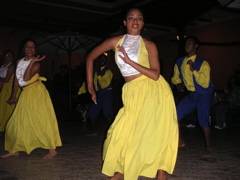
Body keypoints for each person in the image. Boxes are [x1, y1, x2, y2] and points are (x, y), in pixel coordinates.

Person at [86, 7, 178, 180]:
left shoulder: (149, 45)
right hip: (131, 91)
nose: (135, 21)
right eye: (131, 18)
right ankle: (123, 169)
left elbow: (155, 74)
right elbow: (91, 57)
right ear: (124, 22)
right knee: (122, 130)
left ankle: (160, 170)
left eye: (139, 18)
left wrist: (129, 61)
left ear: (143, 23)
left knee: (154, 131)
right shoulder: (114, 41)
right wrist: (90, 85)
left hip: (153, 90)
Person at [1, 39, 62, 159]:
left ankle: (52, 150)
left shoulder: (37, 64)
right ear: (23, 49)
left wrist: (33, 61)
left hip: (37, 93)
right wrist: (13, 95)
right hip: (25, 93)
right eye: (27, 47)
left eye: (32, 47)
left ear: (35, 50)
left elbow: (26, 77)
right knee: (16, 122)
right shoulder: (18, 61)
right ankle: (14, 149)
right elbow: (17, 79)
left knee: (42, 120)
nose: (30, 49)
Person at [171, 36, 214, 157]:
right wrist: (179, 84)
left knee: (203, 120)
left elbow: (205, 83)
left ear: (196, 46)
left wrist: (193, 69)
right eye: (186, 43)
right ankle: (180, 141)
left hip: (204, 93)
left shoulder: (203, 63)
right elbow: (175, 78)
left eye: (190, 43)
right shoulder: (180, 61)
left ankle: (208, 150)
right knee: (175, 114)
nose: (187, 45)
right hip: (192, 94)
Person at [85, 54, 114, 135]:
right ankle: (94, 130)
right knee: (91, 112)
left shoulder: (108, 71)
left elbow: (105, 84)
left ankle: (112, 131)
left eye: (104, 59)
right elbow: (89, 82)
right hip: (97, 93)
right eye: (101, 59)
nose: (102, 61)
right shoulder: (94, 70)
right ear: (98, 60)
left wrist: (98, 75)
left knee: (107, 112)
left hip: (107, 92)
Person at [0, 50, 21, 134]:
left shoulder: (12, 66)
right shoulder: (3, 66)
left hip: (10, 87)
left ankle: (8, 127)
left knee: (8, 108)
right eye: (6, 55)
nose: (8, 57)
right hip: (4, 87)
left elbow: (7, 79)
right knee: (2, 107)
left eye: (10, 56)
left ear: (12, 57)